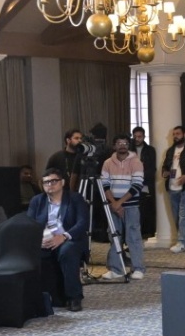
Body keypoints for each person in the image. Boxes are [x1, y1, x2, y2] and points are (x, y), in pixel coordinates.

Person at [27, 168, 90, 312]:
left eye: (54, 181)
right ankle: (42, 297)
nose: (50, 184)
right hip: (45, 240)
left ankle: (74, 297)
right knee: (32, 254)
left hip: (69, 239)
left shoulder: (75, 198)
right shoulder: (37, 201)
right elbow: (29, 223)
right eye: (46, 182)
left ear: (62, 182)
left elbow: (83, 223)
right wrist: (38, 239)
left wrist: (64, 236)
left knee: (67, 251)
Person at [98, 134, 146, 280]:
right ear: (114, 146)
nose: (122, 146)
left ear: (128, 145)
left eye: (125, 143)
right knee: (114, 236)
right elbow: (104, 184)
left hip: (131, 205)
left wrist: (119, 203)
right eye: (119, 143)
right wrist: (114, 203)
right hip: (113, 205)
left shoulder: (136, 162)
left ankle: (138, 268)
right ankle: (116, 269)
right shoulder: (107, 163)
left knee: (133, 237)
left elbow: (137, 185)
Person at [131, 126, 157, 240]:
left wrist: (142, 178)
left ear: (144, 137)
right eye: (135, 136)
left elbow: (152, 168)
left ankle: (146, 231)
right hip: (131, 183)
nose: (137, 139)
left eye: (139, 136)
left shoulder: (150, 150)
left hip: (145, 183)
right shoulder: (129, 150)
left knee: (145, 208)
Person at [46, 128, 86, 196]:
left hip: (81, 192)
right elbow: (47, 176)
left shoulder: (83, 157)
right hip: (61, 193)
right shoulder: (56, 157)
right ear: (68, 140)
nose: (80, 141)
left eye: (81, 138)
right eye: (76, 138)